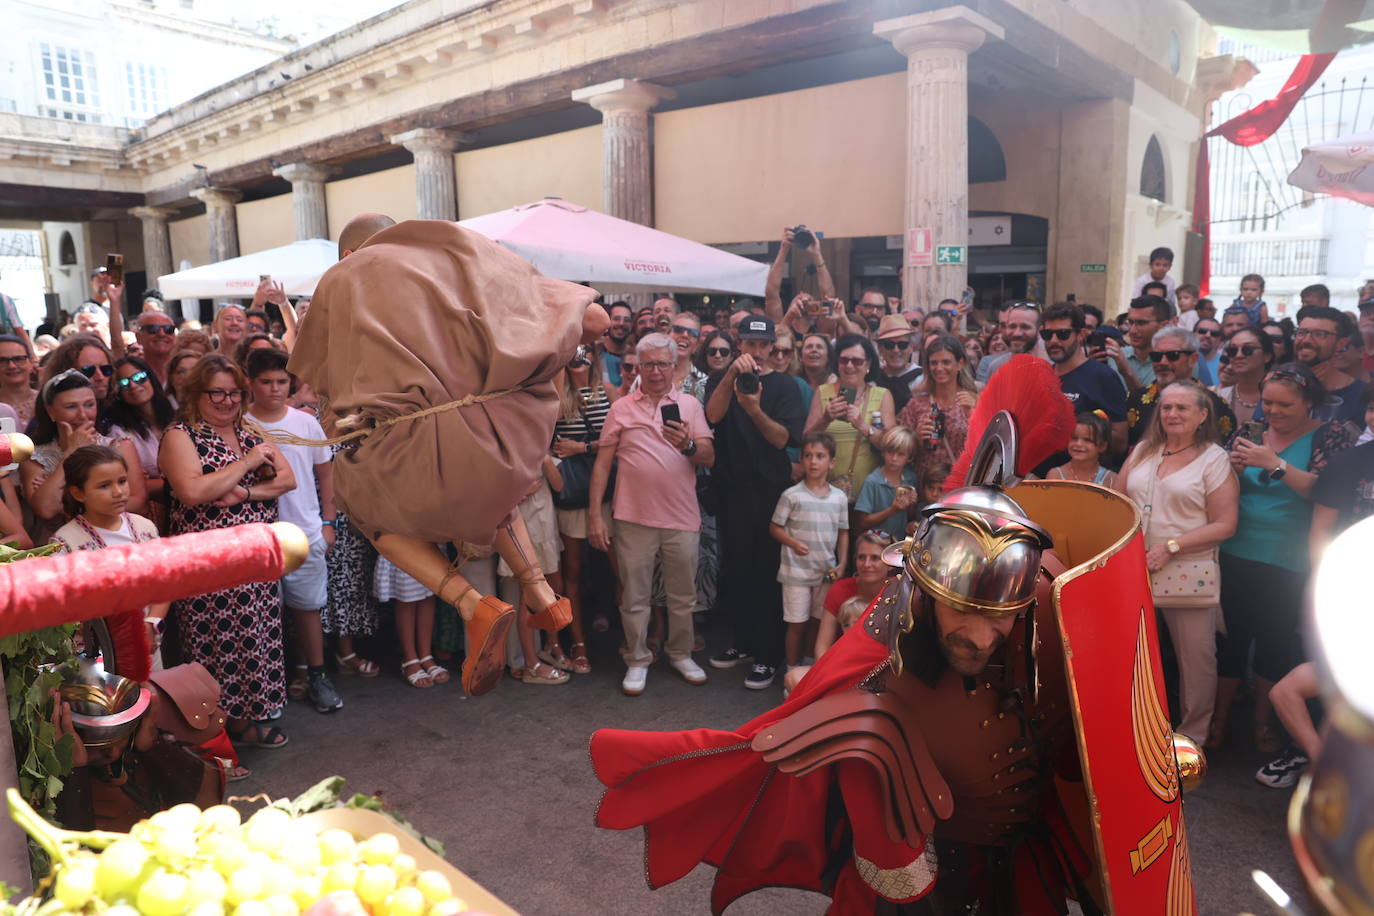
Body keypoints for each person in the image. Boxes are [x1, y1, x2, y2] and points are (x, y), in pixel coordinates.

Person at [591, 359, 1133, 915]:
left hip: (1018, 859)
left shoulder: (1047, 605)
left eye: (998, 614)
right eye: (960, 609)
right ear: (925, 593)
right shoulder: (899, 614)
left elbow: (1094, 733)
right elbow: (832, 695)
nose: (980, 635)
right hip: (927, 858)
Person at [1215, 362, 1356, 751]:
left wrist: (1275, 465)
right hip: (1235, 549)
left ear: (1309, 402)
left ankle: (1264, 724)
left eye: (1285, 405)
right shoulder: (1251, 430)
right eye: (1267, 403)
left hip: (1288, 557)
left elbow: (1325, 492)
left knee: (1274, 642)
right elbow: (1220, 485)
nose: (1273, 412)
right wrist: (1230, 470)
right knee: (1230, 640)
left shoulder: (1331, 435)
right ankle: (1219, 720)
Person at [158, 354, 297, 747]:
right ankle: (212, 736)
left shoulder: (249, 429)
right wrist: (248, 463)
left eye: (234, 393)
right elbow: (193, 490)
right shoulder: (180, 435)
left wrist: (245, 493)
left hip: (256, 561)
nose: (227, 401)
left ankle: (244, 724)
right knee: (215, 647)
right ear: (195, 393)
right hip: (210, 564)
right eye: (216, 393)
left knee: (255, 640)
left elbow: (287, 480)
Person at [587, 333, 715, 696]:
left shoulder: (690, 405)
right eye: (648, 364)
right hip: (632, 517)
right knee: (634, 596)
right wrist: (595, 515)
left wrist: (687, 444)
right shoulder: (621, 408)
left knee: (683, 595)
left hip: (681, 517)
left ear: (674, 366)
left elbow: (708, 456)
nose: (656, 371)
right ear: (638, 367)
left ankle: (681, 653)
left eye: (662, 364)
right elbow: (602, 464)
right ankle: (637, 658)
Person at [1119, 381, 1238, 743]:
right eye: (1166, 407)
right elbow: (1116, 500)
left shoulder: (1214, 459)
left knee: (1195, 660)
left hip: (1186, 569)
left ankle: (1191, 740)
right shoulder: (1144, 450)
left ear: (1203, 415)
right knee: (1134, 654)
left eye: (1182, 408)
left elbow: (1225, 524)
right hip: (1134, 568)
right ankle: (1135, 731)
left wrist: (1171, 547)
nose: (1172, 414)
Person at [705, 315, 806, 689]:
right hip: (732, 490)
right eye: (751, 344)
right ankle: (743, 642)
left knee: (767, 574)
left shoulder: (785, 386)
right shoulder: (722, 379)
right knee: (736, 570)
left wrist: (753, 409)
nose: (758, 351)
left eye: (764, 345)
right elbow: (712, 416)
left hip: (770, 493)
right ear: (739, 344)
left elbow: (782, 440)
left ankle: (768, 655)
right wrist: (732, 376)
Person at [244, 348, 345, 713]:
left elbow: (326, 474)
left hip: (305, 529)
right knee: (262, 615)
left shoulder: (305, 422)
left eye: (282, 381)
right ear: (250, 383)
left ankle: (316, 674)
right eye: (266, 382)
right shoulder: (240, 424)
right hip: (257, 536)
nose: (275, 389)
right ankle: (272, 682)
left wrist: (328, 522)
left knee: (307, 609)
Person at [51, 444, 163, 644]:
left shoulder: (144, 527)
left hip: (147, 643)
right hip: (98, 651)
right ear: (78, 493)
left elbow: (164, 582)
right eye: (104, 486)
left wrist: (151, 624)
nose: (118, 492)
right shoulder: (64, 542)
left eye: (122, 481)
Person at [22, 369, 148, 543]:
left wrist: (67, 503)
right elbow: (46, 509)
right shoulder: (34, 457)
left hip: (115, 540)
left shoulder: (119, 446)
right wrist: (71, 452)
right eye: (71, 407)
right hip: (58, 547)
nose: (82, 415)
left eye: (89, 405)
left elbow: (138, 504)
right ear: (50, 411)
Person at [551, 348, 618, 655]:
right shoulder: (557, 394)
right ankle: (578, 642)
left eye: (585, 350)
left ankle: (630, 639)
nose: (579, 356)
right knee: (573, 571)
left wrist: (582, 447)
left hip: (608, 492)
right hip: (573, 492)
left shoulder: (608, 391)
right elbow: (549, 433)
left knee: (621, 568)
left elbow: (621, 439)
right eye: (573, 351)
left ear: (594, 355)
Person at [771, 432, 849, 673]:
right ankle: (792, 670)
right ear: (801, 460)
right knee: (797, 624)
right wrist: (793, 543)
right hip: (796, 573)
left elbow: (843, 532)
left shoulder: (839, 497)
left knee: (818, 622)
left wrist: (842, 563)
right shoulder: (791, 495)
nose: (813, 461)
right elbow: (774, 527)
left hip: (825, 573)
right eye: (808, 456)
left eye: (820, 456)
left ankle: (809, 668)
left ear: (832, 462)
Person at [803, 334, 894, 504]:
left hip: (868, 491)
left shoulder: (882, 395)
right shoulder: (823, 392)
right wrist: (825, 419)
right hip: (825, 489)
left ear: (868, 364)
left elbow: (891, 446)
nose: (849, 366)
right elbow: (806, 439)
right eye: (844, 360)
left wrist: (862, 425)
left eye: (857, 361)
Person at [1040, 302, 1128, 458]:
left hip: (1082, 470)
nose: (1053, 340)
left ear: (1081, 334)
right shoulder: (1042, 376)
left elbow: (1120, 443)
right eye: (1047, 334)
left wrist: (1077, 432)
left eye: (1063, 334)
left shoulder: (1103, 377)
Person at [1125, 327, 1235, 449]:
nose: (1163, 362)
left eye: (1173, 355)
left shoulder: (1215, 405)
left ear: (1193, 359)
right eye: (1156, 356)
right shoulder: (1133, 399)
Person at [105, 356, 175, 528]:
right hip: (153, 516)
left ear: (151, 377)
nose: (133, 386)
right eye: (124, 383)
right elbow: (130, 487)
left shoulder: (175, 412)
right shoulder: (118, 431)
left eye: (139, 377)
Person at [898, 334, 977, 480]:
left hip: (961, 483)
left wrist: (972, 415)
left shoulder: (974, 401)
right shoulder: (916, 404)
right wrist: (917, 439)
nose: (939, 368)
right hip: (925, 485)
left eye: (946, 362)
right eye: (934, 363)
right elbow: (900, 451)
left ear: (960, 363)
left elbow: (985, 448)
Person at [1295, 305, 1367, 425]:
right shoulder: (1281, 384)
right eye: (1302, 332)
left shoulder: (1362, 396)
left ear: (1341, 344)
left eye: (1320, 334)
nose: (1307, 340)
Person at [854, 426, 920, 539]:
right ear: (883, 452)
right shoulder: (872, 481)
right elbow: (863, 522)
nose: (894, 458)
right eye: (890, 452)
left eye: (900, 454)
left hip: (899, 543)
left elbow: (908, 515)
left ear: (909, 458)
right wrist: (892, 510)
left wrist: (912, 504)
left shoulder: (910, 479)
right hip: (876, 544)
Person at [1105, 294, 1175, 390]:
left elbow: (1154, 399)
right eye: (1130, 322)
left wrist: (1126, 372)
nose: (1132, 330)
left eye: (1141, 323)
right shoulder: (1114, 357)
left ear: (1163, 326)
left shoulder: (1177, 361)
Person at [1212, 325, 1273, 427]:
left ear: (1267, 356)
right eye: (1233, 351)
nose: (1238, 355)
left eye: (1247, 349)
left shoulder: (1280, 398)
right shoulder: (1217, 397)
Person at [975, 301, 1041, 383]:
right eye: (1012, 326)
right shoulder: (996, 367)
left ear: (1039, 330)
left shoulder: (1051, 366)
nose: (1017, 333)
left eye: (1025, 327)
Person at [1047, 412, 1117, 487]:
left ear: (1102, 446)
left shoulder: (1111, 479)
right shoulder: (1055, 475)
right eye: (1074, 438)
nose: (1078, 444)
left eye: (1087, 440)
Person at [873, 315, 921, 412]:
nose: (896, 350)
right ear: (880, 349)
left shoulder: (921, 379)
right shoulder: (873, 379)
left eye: (902, 345)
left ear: (911, 347)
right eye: (889, 345)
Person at [122, 310, 178, 387]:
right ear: (138, 337)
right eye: (153, 329)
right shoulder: (131, 374)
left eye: (168, 329)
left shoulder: (187, 369)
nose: (161, 334)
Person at [665, 310, 708, 401]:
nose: (685, 335)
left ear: (696, 345)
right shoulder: (649, 372)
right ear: (667, 336)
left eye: (693, 333)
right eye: (678, 330)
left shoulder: (704, 382)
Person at [0, 334, 36, 426]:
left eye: (18, 359)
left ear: (31, 362)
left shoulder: (48, 400)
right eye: (2, 360)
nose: (11, 366)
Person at [599, 301, 633, 387]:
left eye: (626, 320)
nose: (621, 323)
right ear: (608, 321)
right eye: (616, 319)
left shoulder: (635, 354)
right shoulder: (596, 352)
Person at [1195, 317, 1223, 384]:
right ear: (1192, 334)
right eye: (1202, 331)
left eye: (1214, 334)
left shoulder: (1225, 365)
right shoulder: (1180, 360)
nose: (1208, 335)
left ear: (1219, 340)